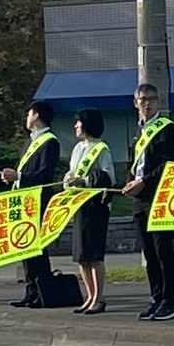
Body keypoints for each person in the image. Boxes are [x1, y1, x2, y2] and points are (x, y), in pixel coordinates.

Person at [122, 84, 174, 322]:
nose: (147, 104)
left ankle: (170, 301)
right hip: (140, 199)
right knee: (149, 252)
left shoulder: (167, 129)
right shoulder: (138, 131)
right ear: (135, 102)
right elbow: (133, 164)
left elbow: (168, 165)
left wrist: (143, 182)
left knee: (164, 251)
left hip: (161, 197)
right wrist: (129, 183)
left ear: (158, 102)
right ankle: (156, 298)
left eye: (151, 99)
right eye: (142, 99)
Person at [0, 101, 65, 309]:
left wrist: (18, 175)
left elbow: (44, 174)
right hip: (24, 198)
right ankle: (30, 290)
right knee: (25, 248)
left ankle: (41, 290)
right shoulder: (31, 142)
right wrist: (14, 178)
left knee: (37, 249)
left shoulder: (49, 141)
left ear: (36, 115)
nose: (26, 117)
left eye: (29, 113)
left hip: (37, 199)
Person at [65, 109, 114, 315]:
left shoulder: (101, 148)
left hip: (95, 206)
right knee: (82, 254)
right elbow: (72, 170)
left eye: (79, 123)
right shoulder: (77, 148)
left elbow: (108, 177)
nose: (76, 126)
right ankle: (89, 295)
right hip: (79, 204)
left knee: (94, 253)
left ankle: (99, 297)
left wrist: (84, 181)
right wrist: (68, 178)